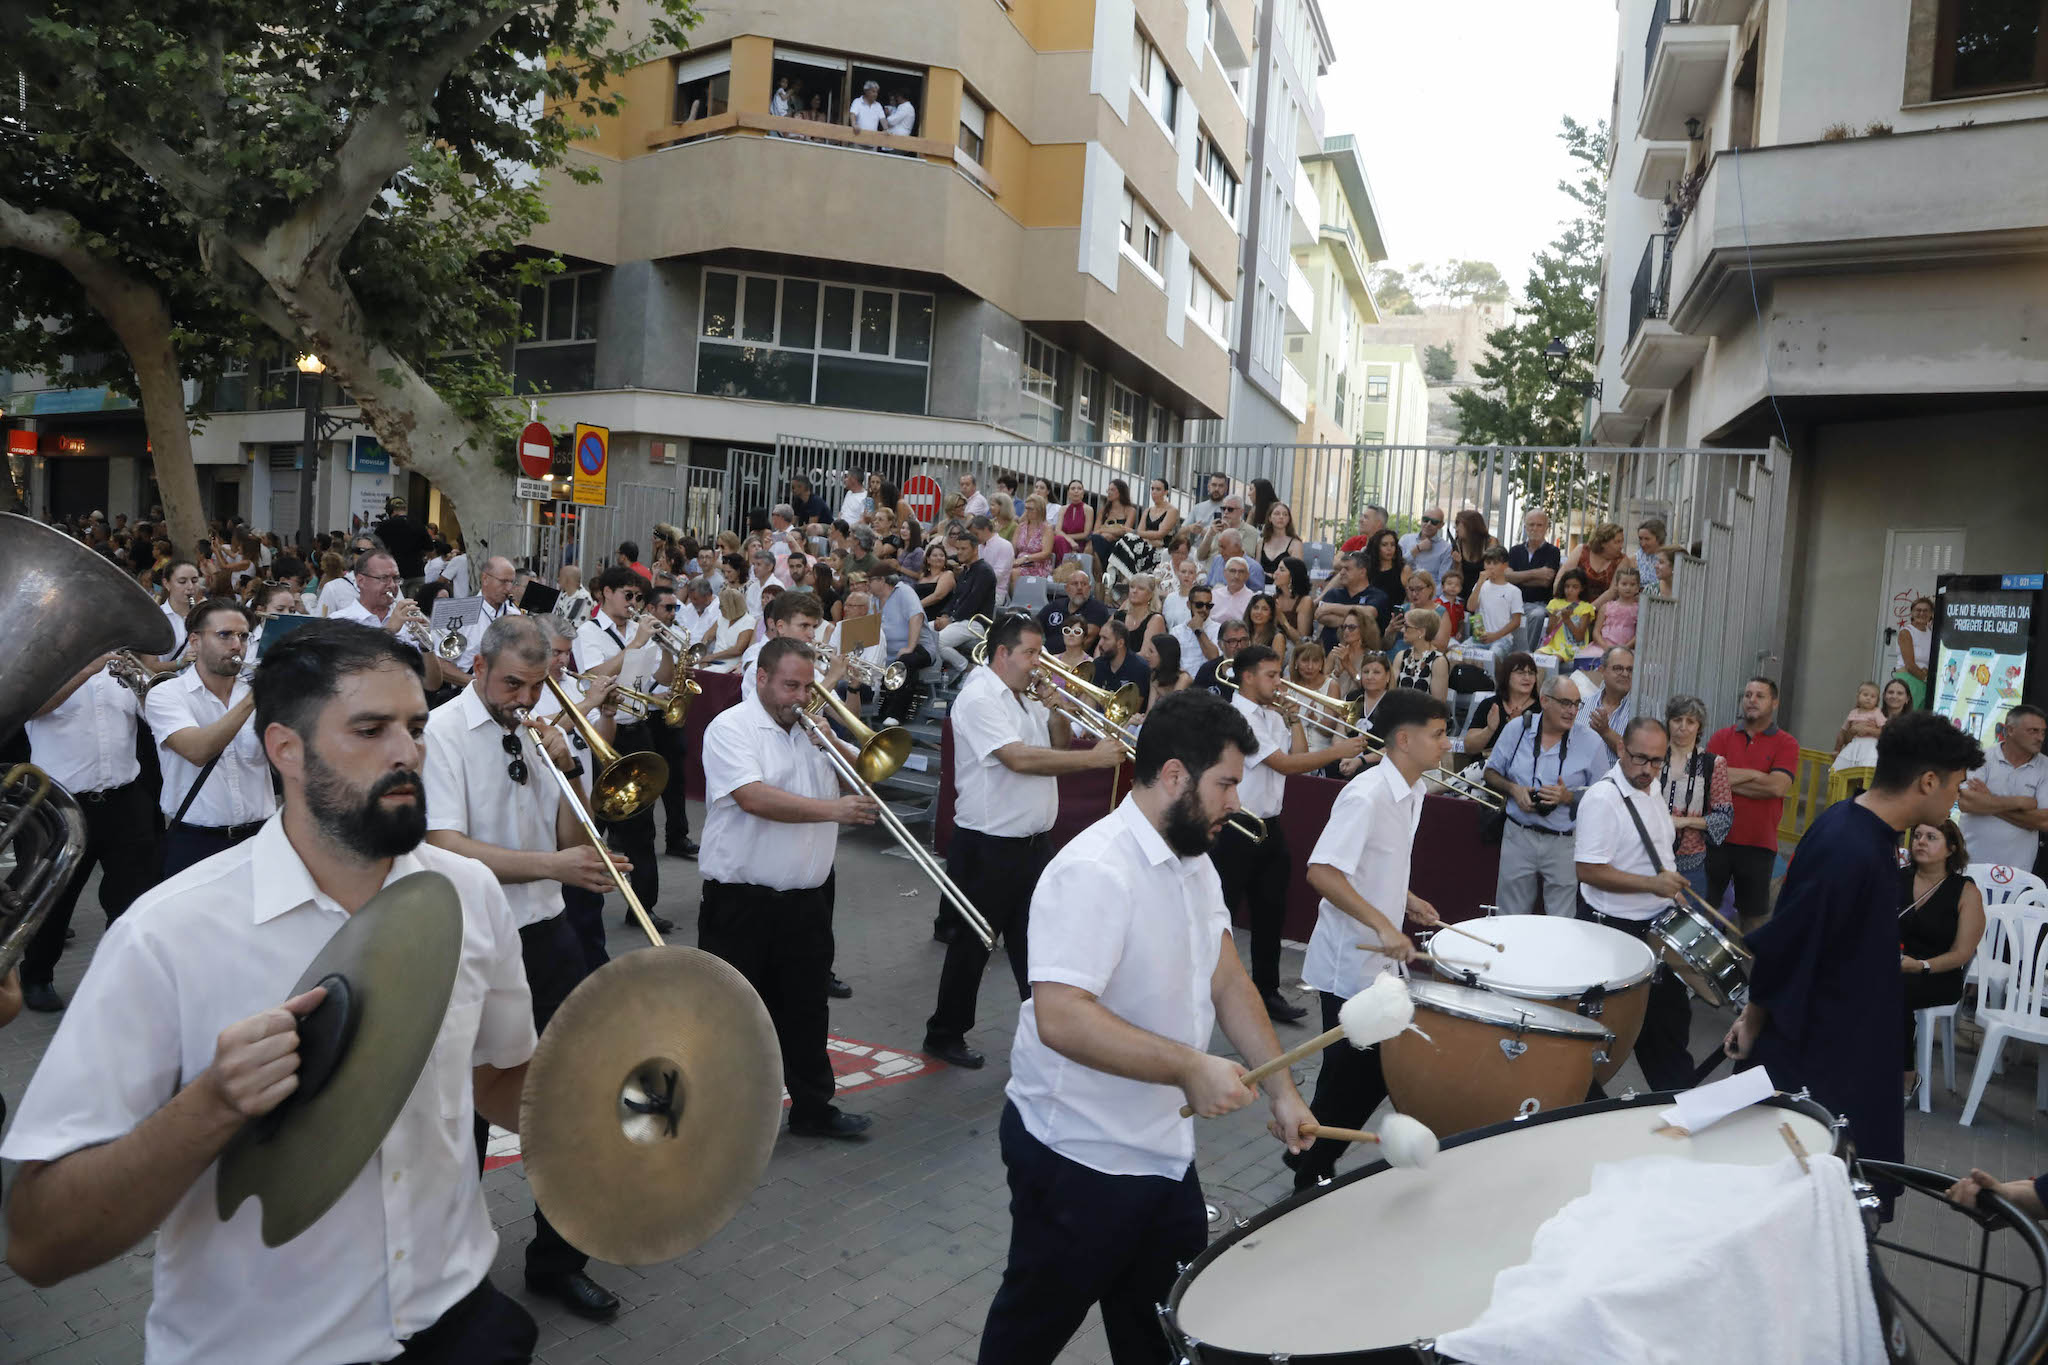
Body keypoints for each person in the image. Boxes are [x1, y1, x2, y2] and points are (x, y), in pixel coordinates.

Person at [0, 622, 544, 1362]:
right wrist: (212, 1104)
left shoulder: (472, 892)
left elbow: (501, 1078)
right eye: (370, 728)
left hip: (459, 1318)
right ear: (285, 748)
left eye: (415, 726)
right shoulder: (164, 934)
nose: (408, 752)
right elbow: (38, 1241)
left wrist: (616, 1104)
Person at [979, 690, 1312, 1364]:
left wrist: (1282, 1089)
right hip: (1077, 1158)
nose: (1235, 803)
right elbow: (1061, 1016)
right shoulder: (1094, 870)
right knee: (1027, 1336)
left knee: (1163, 1337)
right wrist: (1191, 1066)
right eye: (1225, 784)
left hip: (1162, 1155)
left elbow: (1228, 980)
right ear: (1172, 776)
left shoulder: (1194, 861)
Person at [420, 615, 627, 1321]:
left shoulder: (541, 731)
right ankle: (455, 1270)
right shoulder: (441, 734)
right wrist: (555, 865)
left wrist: (568, 768)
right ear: (478, 667)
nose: (525, 698)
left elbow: (571, 838)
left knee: (570, 1096)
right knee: (468, 1111)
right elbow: (444, 842)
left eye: (537, 685)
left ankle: (558, 1260)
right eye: (512, 682)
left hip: (546, 934)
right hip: (470, 940)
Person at [1724, 712, 1985, 1195]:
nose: (1956, 799)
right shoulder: (1849, 846)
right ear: (1927, 781)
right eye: (1955, 786)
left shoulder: (1868, 833)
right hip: (1820, 1056)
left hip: (1853, 1041)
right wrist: (1754, 1021)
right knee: (1811, 1194)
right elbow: (1788, 944)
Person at [701, 640, 881, 1140]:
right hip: (742, 901)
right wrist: (834, 811)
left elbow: (868, 775)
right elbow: (752, 797)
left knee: (806, 1008)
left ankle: (813, 1107)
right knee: (735, 1014)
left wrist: (837, 743)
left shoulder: (811, 731)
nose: (800, 698)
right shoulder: (731, 728)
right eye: (790, 686)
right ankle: (726, 1119)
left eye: (808, 687)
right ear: (761, 678)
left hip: (807, 899)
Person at [925, 614, 1122, 1065]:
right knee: (972, 946)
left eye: (1041, 653)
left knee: (1038, 944)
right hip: (987, 844)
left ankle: (1045, 1032)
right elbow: (1017, 759)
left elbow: (1054, 745)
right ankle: (944, 1032)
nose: (1040, 664)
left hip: (1032, 843)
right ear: (1002, 654)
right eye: (1032, 654)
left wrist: (1056, 707)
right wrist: (1092, 762)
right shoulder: (979, 697)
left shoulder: (1024, 694)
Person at [1289, 689, 1451, 1188]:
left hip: (1377, 964)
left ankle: (1309, 1158)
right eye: (1438, 734)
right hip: (1349, 964)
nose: (1448, 743)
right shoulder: (1366, 793)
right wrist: (1383, 925)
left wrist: (1405, 899)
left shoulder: (1414, 791)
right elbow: (1323, 872)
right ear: (1404, 739)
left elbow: (1371, 861)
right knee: (1352, 1077)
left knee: (1357, 1076)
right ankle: (1309, 1169)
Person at [1220, 645, 1371, 1027]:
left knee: (1271, 915)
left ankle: (1266, 993)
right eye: (1271, 675)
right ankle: (1205, 990)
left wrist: (1296, 721)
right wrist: (1338, 750)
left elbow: (1297, 757)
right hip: (1236, 828)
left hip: (1270, 827)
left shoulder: (1271, 714)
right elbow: (1284, 764)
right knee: (1219, 914)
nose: (1279, 682)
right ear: (1249, 677)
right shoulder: (1238, 715)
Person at [18, 650, 160, 1013]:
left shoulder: (123, 670)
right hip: (62, 805)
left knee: (132, 896)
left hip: (124, 798)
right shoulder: (45, 667)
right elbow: (30, 709)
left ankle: (116, 977)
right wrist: (86, 670)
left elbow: (155, 718)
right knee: (54, 897)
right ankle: (36, 975)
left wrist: (144, 686)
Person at [1574, 716, 1696, 1091]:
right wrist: (1653, 884)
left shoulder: (1652, 787)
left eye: (1657, 761)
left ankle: (1678, 1104)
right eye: (1640, 759)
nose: (1648, 770)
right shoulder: (1602, 799)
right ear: (1622, 750)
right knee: (1605, 1033)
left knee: (1669, 1024)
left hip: (1656, 924)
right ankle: (1582, 1102)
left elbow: (1654, 851)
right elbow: (1587, 870)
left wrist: (1671, 891)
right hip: (1615, 930)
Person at [571, 566, 675, 934]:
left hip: (637, 729)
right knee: (591, 821)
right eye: (627, 595)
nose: (634, 604)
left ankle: (643, 907)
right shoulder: (588, 632)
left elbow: (657, 681)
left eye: (638, 598)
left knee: (641, 824)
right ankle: (578, 903)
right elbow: (592, 676)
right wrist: (634, 646)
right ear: (606, 594)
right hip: (603, 732)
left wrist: (666, 650)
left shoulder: (637, 631)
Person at [147, 599, 277, 878]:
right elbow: (197, 750)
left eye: (243, 636)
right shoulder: (166, 694)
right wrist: (258, 695)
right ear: (195, 641)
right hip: (196, 841)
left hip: (260, 836)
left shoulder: (261, 695)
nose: (236, 645)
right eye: (224, 635)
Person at [1483, 675, 1610, 916]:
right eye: (1565, 703)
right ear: (1544, 700)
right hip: (1518, 835)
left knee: (1561, 921)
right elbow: (1490, 772)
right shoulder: (1516, 729)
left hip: (1564, 842)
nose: (1572, 711)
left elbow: (1604, 796)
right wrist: (1514, 790)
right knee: (1509, 917)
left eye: (1576, 704)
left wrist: (1567, 797)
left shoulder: (1591, 741)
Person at [1898, 818, 1986, 1104]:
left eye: (1931, 837)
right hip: (1895, 966)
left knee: (1894, 992)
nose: (1920, 841)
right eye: (1917, 835)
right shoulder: (1898, 878)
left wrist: (1921, 965)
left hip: (1939, 974)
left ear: (1951, 848)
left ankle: (1907, 1075)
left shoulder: (1965, 891)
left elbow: (1962, 953)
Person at [1706, 677, 1799, 931]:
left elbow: (1777, 786)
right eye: (1747, 695)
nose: (1752, 700)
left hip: (1758, 843)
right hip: (1715, 838)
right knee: (1703, 910)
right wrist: (1759, 775)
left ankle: (1749, 971)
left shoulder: (1786, 743)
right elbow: (1708, 778)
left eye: (1760, 695)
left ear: (1775, 703)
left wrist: (1727, 779)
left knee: (1753, 919)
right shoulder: (1722, 737)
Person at [332, 550, 450, 694]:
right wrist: (388, 632)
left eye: (396, 578)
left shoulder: (408, 621)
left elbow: (432, 684)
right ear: (361, 581)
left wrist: (426, 647)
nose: (392, 585)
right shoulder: (339, 621)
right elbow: (343, 675)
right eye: (384, 578)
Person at [1957, 702, 2047, 874]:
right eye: (2033, 731)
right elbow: (1966, 802)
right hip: (1971, 862)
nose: (2040, 738)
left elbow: (2044, 821)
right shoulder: (1983, 757)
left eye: (2043, 732)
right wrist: (2020, 802)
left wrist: (1988, 800)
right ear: (2011, 730)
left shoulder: (2046, 767)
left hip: (2017, 872)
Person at [1663, 694, 1733, 902]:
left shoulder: (1713, 763)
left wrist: (1685, 821)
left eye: (1690, 721)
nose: (1683, 726)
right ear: (1668, 722)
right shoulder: (1654, 757)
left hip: (1690, 866)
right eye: (1677, 720)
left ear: (1699, 727)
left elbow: (1724, 819)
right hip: (1647, 861)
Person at [442, 555, 521, 688]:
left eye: (511, 582)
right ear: (485, 579)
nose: (508, 588)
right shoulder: (457, 611)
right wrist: (477, 684)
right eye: (503, 582)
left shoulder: (516, 615)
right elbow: (440, 662)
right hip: (466, 691)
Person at [935, 530, 998, 676]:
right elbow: (954, 599)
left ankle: (967, 668)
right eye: (957, 549)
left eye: (963, 549)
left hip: (976, 622)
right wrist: (944, 615)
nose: (959, 552)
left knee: (938, 641)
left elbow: (972, 603)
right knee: (923, 633)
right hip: (959, 620)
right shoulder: (965, 571)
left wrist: (950, 620)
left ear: (975, 549)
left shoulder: (985, 571)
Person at [1463, 652, 1541, 765]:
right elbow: (1469, 748)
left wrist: (1516, 728)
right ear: (1506, 675)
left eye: (1531, 673)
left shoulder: (1541, 709)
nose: (1527, 677)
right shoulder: (1490, 705)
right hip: (1484, 768)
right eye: (1520, 672)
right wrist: (1490, 729)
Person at [1314, 551, 1388, 651]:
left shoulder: (1377, 595)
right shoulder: (1333, 593)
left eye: (1347, 569)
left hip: (1362, 658)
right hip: (1328, 653)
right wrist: (1358, 624)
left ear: (1362, 572)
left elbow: (1369, 613)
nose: (1342, 572)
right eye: (1341, 569)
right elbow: (1320, 615)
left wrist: (1330, 608)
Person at [1464, 547, 1524, 668]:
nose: (1490, 567)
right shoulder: (1480, 585)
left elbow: (1516, 621)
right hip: (1479, 637)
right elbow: (1470, 607)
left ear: (1505, 565)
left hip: (1502, 639)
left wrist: (1496, 635)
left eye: (1495, 563)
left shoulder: (1514, 591)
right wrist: (1480, 583)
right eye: (1488, 563)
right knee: (1459, 652)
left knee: (1493, 656)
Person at [1572, 646, 1636, 757]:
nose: (1625, 674)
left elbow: (1635, 756)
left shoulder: (1641, 709)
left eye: (1630, 669)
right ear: (1602, 671)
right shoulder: (1582, 705)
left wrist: (1606, 732)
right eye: (1618, 668)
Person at [1037, 565, 1110, 652]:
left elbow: (1087, 640)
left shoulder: (1097, 609)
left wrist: (1061, 659)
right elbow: (1033, 627)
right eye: (1075, 584)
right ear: (1066, 589)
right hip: (1046, 658)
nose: (1079, 588)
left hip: (1075, 661)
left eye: (1084, 584)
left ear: (1089, 589)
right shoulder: (1054, 606)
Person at [1538, 568, 1597, 668]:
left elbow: (1579, 638)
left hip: (1573, 648)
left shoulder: (1586, 608)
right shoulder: (1554, 603)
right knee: (1537, 657)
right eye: (1567, 586)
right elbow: (1549, 632)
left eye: (1575, 587)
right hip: (1553, 646)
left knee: (1553, 660)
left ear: (1582, 588)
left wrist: (1567, 620)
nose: (1570, 590)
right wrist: (1554, 619)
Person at [1556, 521, 1624, 600]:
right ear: (1603, 542)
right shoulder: (1581, 551)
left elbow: (1612, 592)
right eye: (1617, 542)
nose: (1621, 546)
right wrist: (1559, 602)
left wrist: (1588, 609)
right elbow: (1560, 579)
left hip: (1603, 608)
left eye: (1622, 542)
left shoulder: (1622, 560)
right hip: (1572, 604)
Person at [1831, 681, 1887, 774]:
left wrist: (1868, 730)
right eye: (1865, 695)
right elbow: (1843, 732)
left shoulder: (1877, 712)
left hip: (1870, 745)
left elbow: (1885, 731)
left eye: (1873, 696)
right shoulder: (1853, 712)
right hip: (1854, 744)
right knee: (1841, 770)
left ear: (1877, 701)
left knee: (1866, 769)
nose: (1868, 698)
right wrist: (1837, 749)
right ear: (1858, 696)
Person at [373, 495, 430, 583]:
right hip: (417, 573)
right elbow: (429, 548)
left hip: (395, 574)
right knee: (416, 597)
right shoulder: (418, 524)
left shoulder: (385, 526)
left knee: (397, 597)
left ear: (390, 511)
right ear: (405, 509)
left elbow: (374, 546)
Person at [700, 585, 756, 672]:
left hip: (728, 666)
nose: (719, 608)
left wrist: (711, 657)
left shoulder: (748, 621)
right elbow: (708, 636)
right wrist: (703, 655)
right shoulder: (723, 617)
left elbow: (738, 650)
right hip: (713, 661)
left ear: (731, 606)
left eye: (721, 606)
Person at [1394, 609, 1448, 700]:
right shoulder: (1401, 656)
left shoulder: (1438, 662)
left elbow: (1438, 704)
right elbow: (1391, 694)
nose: (1402, 630)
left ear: (1421, 632)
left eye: (1406, 626)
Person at [1090, 620, 1151, 698]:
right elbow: (1091, 698)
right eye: (1100, 638)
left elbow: (1135, 705)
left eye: (1105, 638)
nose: (1100, 643)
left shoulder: (1140, 669)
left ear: (1120, 643)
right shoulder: (1098, 664)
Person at [1892, 596, 1934, 707]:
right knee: (1906, 720)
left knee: (1919, 721)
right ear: (1912, 613)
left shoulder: (1931, 634)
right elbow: (1909, 665)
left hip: (1923, 682)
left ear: (1931, 614)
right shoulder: (1906, 632)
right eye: (1918, 610)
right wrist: (1927, 679)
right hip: (1908, 681)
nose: (1922, 613)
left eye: (1926, 610)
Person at [1592, 564, 1643, 651]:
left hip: (1626, 649)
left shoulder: (1639, 610)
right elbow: (1596, 632)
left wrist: (1626, 647)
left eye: (1632, 584)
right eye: (1624, 584)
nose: (1628, 588)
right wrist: (1605, 646)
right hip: (1603, 648)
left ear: (1637, 587)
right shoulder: (1606, 607)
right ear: (1616, 585)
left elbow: (1640, 634)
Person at [1193, 619, 1251, 695]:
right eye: (1232, 641)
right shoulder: (1207, 670)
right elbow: (1194, 701)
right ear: (1220, 645)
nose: (1239, 646)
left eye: (1244, 640)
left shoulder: (1258, 669)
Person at [1011, 494, 1057, 585]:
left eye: (1031, 509)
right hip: (1019, 563)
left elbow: (1046, 553)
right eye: (1026, 508)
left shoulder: (1047, 529)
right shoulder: (1020, 527)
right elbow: (1013, 549)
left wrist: (1026, 558)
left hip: (1038, 564)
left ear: (1040, 510)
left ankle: (1016, 599)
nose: (1027, 511)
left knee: (1014, 573)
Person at [1270, 556, 1314, 651]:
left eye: (1282, 570)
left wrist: (1282, 618)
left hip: (1296, 651)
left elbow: (1302, 641)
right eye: (1277, 569)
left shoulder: (1305, 601)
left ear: (1292, 576)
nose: (1275, 573)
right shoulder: (1274, 598)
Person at [1398, 507, 1453, 583]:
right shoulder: (1406, 539)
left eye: (1434, 522)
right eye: (1425, 520)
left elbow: (1443, 581)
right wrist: (1417, 549)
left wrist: (1430, 594)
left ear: (1441, 525)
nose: (1428, 524)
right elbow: (1397, 565)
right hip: (1404, 589)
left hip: (1430, 591)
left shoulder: (1446, 548)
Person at [1452, 509, 1498, 595]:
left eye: (1458, 524)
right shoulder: (1458, 544)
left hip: (1485, 592)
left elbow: (1493, 572)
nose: (1456, 528)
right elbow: (1458, 579)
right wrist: (1457, 564)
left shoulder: (1490, 543)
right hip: (1463, 592)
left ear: (1470, 525)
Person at [1140, 632, 1189, 713]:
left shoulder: (1184, 678)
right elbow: (1150, 711)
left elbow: (1173, 708)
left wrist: (1159, 689)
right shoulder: (1154, 675)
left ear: (1164, 655)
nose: (1146, 655)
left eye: (1151, 651)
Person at [971, 514, 1014, 604]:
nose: (974, 537)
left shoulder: (1005, 546)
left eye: (976, 534)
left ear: (986, 529)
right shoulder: (978, 546)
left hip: (996, 592)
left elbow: (998, 574)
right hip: (976, 589)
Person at [1257, 502, 1304, 581]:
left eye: (1285, 514)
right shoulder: (1261, 542)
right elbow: (1256, 569)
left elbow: (1296, 573)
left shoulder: (1295, 544)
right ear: (1270, 518)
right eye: (1277, 513)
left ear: (1289, 519)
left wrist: (1271, 576)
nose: (1281, 517)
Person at [1362, 528, 1407, 605]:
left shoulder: (1404, 570)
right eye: (1384, 545)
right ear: (1376, 547)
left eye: (1392, 545)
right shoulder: (1366, 569)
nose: (1389, 548)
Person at [1210, 555, 1257, 622]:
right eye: (1232, 571)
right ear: (1225, 573)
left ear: (1247, 576)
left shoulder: (1252, 599)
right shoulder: (1213, 595)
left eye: (1241, 572)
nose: (1236, 576)